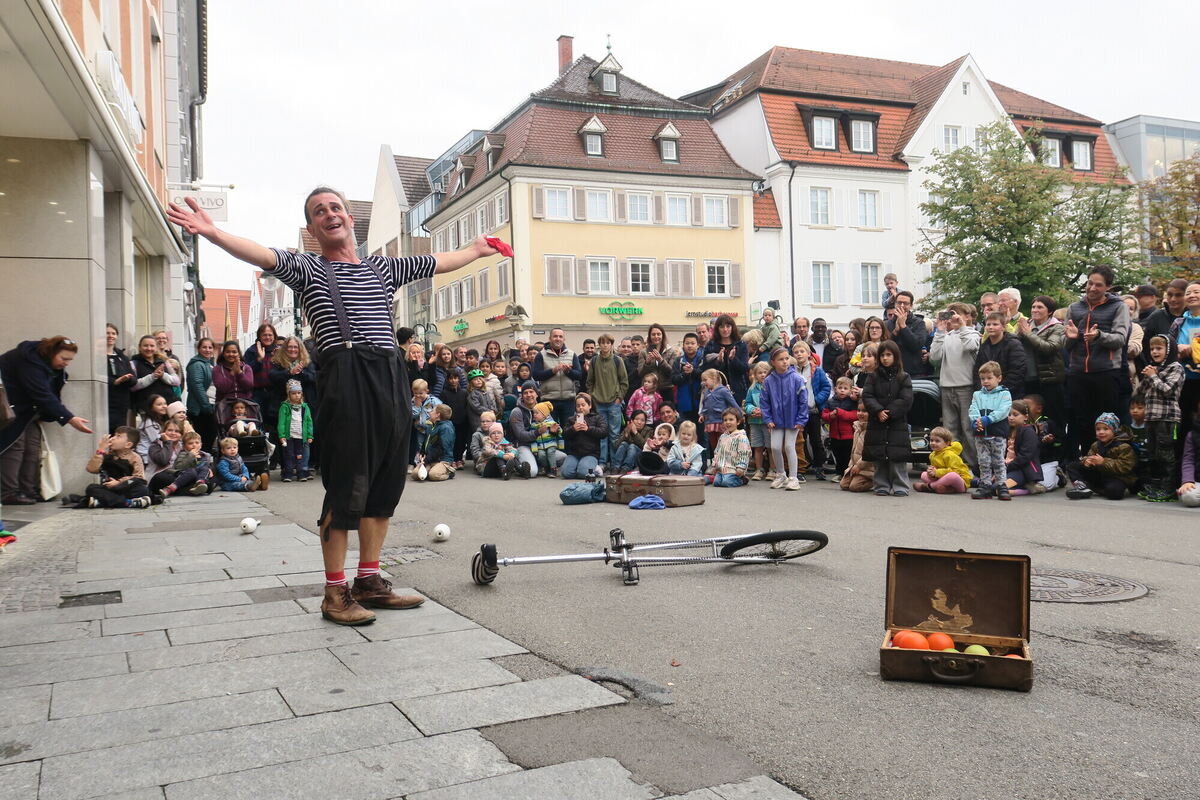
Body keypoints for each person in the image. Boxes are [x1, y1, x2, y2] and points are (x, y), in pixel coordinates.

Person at [169, 187, 499, 625]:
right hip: (346, 376)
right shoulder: (307, 268)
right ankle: (334, 592)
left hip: (389, 376)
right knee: (348, 484)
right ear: (312, 228)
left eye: (336, 207)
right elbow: (261, 254)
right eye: (319, 211)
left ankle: (368, 580)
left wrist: (476, 250)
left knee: (385, 482)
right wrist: (214, 234)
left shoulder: (384, 266)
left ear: (349, 218)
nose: (330, 214)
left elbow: (437, 262)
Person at [0, 336, 93, 504]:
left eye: (69, 360)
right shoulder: (28, 361)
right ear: (51, 352)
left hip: (28, 411)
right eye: (64, 359)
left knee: (32, 447)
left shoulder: (47, 365)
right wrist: (69, 418)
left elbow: (48, 394)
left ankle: (28, 490)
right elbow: (41, 394)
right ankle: (9, 493)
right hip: (12, 408)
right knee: (15, 446)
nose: (66, 363)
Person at [1064, 266, 1131, 456]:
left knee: (1106, 422)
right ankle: (1087, 464)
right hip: (1078, 373)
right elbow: (1065, 343)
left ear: (1108, 287)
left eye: (1098, 285)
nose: (1092, 288)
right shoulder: (1074, 308)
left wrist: (1098, 335)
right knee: (1082, 422)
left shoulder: (1118, 307)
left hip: (1106, 372)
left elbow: (1119, 339)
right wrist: (1072, 336)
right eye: (1090, 283)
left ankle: (1109, 465)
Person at [929, 307, 981, 468]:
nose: (951, 318)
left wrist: (963, 326)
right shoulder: (946, 336)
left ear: (967, 316)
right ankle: (953, 464)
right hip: (947, 386)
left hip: (965, 387)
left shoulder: (972, 334)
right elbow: (934, 358)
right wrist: (940, 331)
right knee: (950, 430)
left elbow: (971, 347)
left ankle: (976, 466)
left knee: (967, 428)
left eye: (954, 314)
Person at [1136, 336, 1184, 501]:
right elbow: (1138, 394)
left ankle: (1168, 488)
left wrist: (1154, 376)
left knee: (1166, 455)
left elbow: (1168, 390)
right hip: (1151, 418)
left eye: (1159, 348)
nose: (1155, 352)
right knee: (1153, 454)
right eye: (1152, 349)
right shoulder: (1153, 369)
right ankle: (1155, 487)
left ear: (1168, 350)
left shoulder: (1175, 368)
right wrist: (1146, 376)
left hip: (1168, 418)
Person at [863, 340, 913, 497]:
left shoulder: (904, 377)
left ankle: (900, 485)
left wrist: (890, 412)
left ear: (895, 356)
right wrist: (878, 411)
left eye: (889, 355)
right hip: (877, 421)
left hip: (896, 422)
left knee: (896, 455)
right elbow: (867, 395)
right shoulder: (873, 377)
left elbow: (906, 399)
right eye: (882, 355)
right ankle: (881, 485)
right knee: (879, 455)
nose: (885, 358)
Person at [760, 346, 808, 491]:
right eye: (781, 359)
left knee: (789, 446)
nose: (785, 362)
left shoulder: (797, 378)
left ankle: (793, 477)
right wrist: (768, 419)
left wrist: (801, 420)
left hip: (793, 421)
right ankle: (781, 475)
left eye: (787, 358)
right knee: (774, 446)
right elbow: (764, 402)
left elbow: (803, 401)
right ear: (773, 362)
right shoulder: (768, 381)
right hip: (776, 421)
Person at [1016, 297, 1066, 429]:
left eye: (1040, 307)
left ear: (1049, 311)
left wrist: (1028, 333)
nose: (1035, 310)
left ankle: (1056, 446)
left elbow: (1049, 348)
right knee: (1030, 417)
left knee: (1053, 417)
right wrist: (1019, 333)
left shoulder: (1057, 327)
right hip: (1027, 379)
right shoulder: (1027, 324)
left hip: (1049, 380)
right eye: (1033, 307)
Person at [71, 427, 150, 509]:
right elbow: (91, 469)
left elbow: (139, 477)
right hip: (109, 488)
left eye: (118, 436)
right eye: (114, 435)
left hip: (126, 487)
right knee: (91, 488)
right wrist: (100, 450)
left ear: (128, 444)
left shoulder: (135, 457)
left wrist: (119, 482)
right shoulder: (107, 454)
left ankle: (101, 502)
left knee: (142, 490)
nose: (112, 438)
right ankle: (128, 503)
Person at [1065, 413, 1136, 500]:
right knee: (1072, 466)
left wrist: (1103, 462)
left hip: (1116, 477)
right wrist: (1087, 461)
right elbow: (1088, 456)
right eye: (1098, 429)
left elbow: (1125, 466)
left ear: (1114, 430)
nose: (1101, 432)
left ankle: (1092, 488)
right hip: (1099, 475)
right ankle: (1082, 487)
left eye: (1106, 429)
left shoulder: (1124, 446)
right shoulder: (1096, 445)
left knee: (1114, 492)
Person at [969, 361, 1013, 500]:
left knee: (998, 460)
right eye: (983, 379)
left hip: (997, 433)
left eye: (989, 378)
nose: (985, 381)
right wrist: (976, 420)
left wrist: (988, 419)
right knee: (983, 461)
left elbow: (1003, 411)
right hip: (981, 434)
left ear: (999, 378)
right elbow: (973, 408)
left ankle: (1001, 485)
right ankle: (985, 485)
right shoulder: (977, 394)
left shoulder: (1004, 394)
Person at [585, 333, 628, 469]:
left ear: (611, 344)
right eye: (602, 343)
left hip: (613, 403)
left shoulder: (617, 360)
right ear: (599, 345)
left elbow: (624, 382)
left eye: (608, 343)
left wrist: (619, 398)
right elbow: (589, 382)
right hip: (599, 403)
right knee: (602, 435)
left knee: (614, 435)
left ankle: (615, 464)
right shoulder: (594, 361)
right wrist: (593, 397)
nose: (605, 345)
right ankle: (603, 462)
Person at [793, 342, 831, 479]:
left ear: (809, 354)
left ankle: (819, 467)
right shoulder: (791, 371)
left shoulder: (817, 370)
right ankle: (801, 468)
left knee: (816, 440)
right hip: (797, 413)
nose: (799, 354)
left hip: (813, 411)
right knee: (799, 441)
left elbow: (826, 387)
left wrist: (816, 400)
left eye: (802, 351)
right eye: (796, 352)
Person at [533, 328, 582, 426]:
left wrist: (568, 371)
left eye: (560, 336)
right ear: (550, 338)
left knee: (568, 431)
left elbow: (579, 375)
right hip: (548, 401)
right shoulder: (541, 355)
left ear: (564, 339)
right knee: (550, 430)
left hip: (568, 400)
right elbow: (536, 375)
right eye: (555, 336)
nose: (558, 339)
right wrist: (553, 371)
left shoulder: (571, 354)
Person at [974, 312, 1026, 400]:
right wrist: (982, 389)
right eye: (988, 324)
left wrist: (999, 390)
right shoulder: (984, 345)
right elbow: (977, 370)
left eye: (995, 324)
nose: (991, 327)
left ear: (1003, 327)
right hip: (987, 394)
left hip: (1010, 394)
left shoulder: (1013, 344)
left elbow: (1018, 371)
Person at [128, 335, 181, 414]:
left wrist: (163, 375)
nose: (149, 348)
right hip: (146, 409)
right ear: (139, 347)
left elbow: (177, 381)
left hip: (167, 407)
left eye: (152, 346)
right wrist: (153, 376)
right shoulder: (133, 363)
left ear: (156, 347)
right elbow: (133, 386)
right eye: (145, 346)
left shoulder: (164, 361)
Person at [152, 430, 213, 498]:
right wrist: (191, 456)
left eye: (197, 443)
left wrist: (210, 470)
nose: (194, 445)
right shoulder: (183, 454)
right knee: (192, 471)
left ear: (201, 445)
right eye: (190, 443)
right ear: (184, 446)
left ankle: (200, 484)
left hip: (199, 478)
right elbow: (179, 466)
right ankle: (171, 488)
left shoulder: (206, 455)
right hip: (185, 475)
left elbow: (208, 467)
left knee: (205, 469)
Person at [703, 314, 750, 403]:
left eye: (728, 326)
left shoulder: (741, 344)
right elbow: (705, 369)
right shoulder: (711, 345)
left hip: (737, 390)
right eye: (722, 327)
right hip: (716, 391)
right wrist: (718, 361)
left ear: (732, 328)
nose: (725, 329)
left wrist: (733, 359)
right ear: (717, 329)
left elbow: (744, 368)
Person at [561, 392, 607, 478]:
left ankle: (596, 469)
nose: (580, 408)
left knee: (583, 473)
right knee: (565, 473)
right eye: (578, 406)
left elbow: (603, 432)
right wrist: (573, 429)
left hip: (590, 453)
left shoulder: (598, 417)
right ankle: (580, 467)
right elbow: (564, 435)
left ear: (590, 405)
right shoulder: (571, 419)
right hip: (574, 453)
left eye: (583, 405)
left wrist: (588, 429)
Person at [885, 291, 931, 378]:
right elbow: (885, 347)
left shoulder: (919, 323)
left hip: (913, 373)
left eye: (905, 303)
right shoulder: (887, 324)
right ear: (895, 304)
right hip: (891, 372)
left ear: (911, 306)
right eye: (899, 303)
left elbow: (916, 345)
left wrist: (903, 327)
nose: (902, 306)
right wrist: (895, 332)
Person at [1002, 400, 1042, 496]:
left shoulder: (1028, 432)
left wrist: (1005, 468)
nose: (1011, 418)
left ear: (1025, 417)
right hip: (1005, 466)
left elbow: (1025, 457)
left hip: (1021, 469)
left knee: (998, 488)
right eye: (1009, 415)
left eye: (1015, 415)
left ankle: (1028, 490)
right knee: (976, 469)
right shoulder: (1007, 430)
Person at [914, 427, 971, 494]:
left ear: (947, 443)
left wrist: (937, 472)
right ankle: (946, 489)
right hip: (943, 479)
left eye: (937, 441)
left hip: (961, 483)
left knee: (952, 475)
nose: (933, 443)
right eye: (931, 440)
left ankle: (930, 487)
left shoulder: (950, 454)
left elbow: (956, 471)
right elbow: (935, 471)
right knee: (923, 475)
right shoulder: (932, 455)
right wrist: (931, 473)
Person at [277, 380, 314, 482]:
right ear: (289, 394)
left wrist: (310, 435)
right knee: (289, 455)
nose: (296, 395)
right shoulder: (284, 407)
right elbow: (281, 422)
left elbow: (309, 421)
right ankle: (288, 473)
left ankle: (301, 472)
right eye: (293, 393)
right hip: (290, 436)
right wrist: (282, 435)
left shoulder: (305, 407)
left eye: (299, 393)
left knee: (300, 455)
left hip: (302, 436)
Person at [1025, 394, 1063, 492]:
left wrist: (1051, 441)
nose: (1024, 409)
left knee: (1045, 485)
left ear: (1038, 409)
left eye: (1027, 406)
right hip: (1029, 461)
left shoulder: (1046, 423)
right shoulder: (1021, 423)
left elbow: (1059, 443)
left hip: (1046, 461)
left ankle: (1058, 477)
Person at [823, 376, 858, 479]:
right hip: (834, 434)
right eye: (840, 388)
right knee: (837, 455)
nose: (842, 390)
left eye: (845, 388)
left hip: (848, 435)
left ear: (850, 390)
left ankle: (846, 474)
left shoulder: (852, 402)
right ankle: (839, 473)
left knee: (847, 455)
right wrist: (830, 415)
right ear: (835, 389)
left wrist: (840, 413)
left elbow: (854, 415)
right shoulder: (830, 402)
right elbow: (824, 415)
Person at [505, 382, 542, 477]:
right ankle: (516, 463)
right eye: (525, 393)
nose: (529, 395)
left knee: (562, 458)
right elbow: (520, 435)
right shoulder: (516, 412)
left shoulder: (542, 409)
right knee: (532, 472)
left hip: (539, 445)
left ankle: (536, 462)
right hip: (522, 445)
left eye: (531, 392)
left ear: (537, 394)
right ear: (522, 395)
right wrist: (538, 432)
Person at [698, 369, 741, 453]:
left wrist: (739, 414)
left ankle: (726, 458)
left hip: (721, 421)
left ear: (714, 378)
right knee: (713, 443)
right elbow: (705, 405)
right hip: (709, 421)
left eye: (705, 380)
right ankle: (716, 458)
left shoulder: (723, 390)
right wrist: (702, 415)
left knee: (724, 441)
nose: (704, 382)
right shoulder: (706, 392)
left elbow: (733, 403)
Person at [186, 337, 218, 447]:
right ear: (198, 348)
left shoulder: (207, 363)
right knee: (205, 438)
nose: (207, 350)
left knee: (209, 437)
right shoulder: (197, 364)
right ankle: (203, 462)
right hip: (201, 409)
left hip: (207, 407)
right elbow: (197, 386)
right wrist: (207, 407)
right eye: (204, 347)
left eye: (210, 347)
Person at [243, 323, 279, 418]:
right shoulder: (251, 351)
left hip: (275, 393)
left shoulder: (278, 351)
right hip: (257, 393)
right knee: (257, 421)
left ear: (274, 336)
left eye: (270, 335)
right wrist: (259, 359)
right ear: (259, 336)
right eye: (264, 335)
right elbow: (245, 372)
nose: (267, 337)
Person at [105, 324, 136, 433]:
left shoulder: (122, 357)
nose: (110, 336)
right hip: (106, 402)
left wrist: (127, 379)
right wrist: (114, 382)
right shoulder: (98, 356)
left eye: (113, 333)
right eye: (107, 333)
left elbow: (133, 379)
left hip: (121, 404)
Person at [705, 411, 750, 487]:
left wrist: (740, 467)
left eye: (731, 419)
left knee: (727, 483)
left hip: (734, 469)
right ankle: (714, 477)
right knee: (716, 483)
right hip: (722, 468)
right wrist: (715, 464)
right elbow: (717, 451)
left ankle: (742, 479)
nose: (728, 422)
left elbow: (744, 453)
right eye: (725, 420)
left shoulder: (741, 437)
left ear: (738, 422)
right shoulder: (723, 436)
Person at [743, 361, 771, 480]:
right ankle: (759, 470)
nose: (763, 375)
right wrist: (752, 409)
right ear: (755, 375)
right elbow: (747, 403)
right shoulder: (752, 389)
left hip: (768, 422)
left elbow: (774, 404)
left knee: (770, 447)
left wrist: (763, 411)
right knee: (757, 447)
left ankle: (773, 469)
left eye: (765, 372)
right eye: (760, 373)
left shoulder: (772, 387)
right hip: (754, 422)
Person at [671, 333, 705, 427]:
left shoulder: (702, 359)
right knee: (685, 431)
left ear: (697, 345)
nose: (689, 345)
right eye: (687, 343)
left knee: (701, 433)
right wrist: (685, 374)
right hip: (683, 402)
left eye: (692, 343)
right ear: (683, 345)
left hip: (701, 403)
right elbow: (673, 379)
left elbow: (706, 375)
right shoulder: (678, 361)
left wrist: (693, 371)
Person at [839, 403, 875, 492]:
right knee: (844, 485)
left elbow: (870, 452)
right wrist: (851, 466)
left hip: (867, 468)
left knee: (854, 487)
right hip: (855, 466)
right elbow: (853, 450)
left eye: (864, 411)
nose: (860, 413)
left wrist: (859, 465)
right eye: (859, 410)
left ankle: (876, 481)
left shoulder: (872, 431)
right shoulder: (857, 428)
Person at [414, 405, 456, 481]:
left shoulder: (446, 428)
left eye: (432, 411)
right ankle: (431, 469)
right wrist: (422, 454)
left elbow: (441, 448)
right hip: (430, 459)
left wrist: (426, 460)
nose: (429, 412)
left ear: (438, 414)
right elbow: (426, 441)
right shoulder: (431, 426)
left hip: (443, 459)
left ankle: (449, 472)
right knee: (415, 475)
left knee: (434, 475)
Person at [636, 323, 677, 400]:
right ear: (649, 336)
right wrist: (647, 363)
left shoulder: (671, 351)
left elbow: (672, 372)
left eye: (658, 334)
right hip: (649, 390)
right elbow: (640, 373)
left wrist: (661, 360)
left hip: (666, 389)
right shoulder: (643, 352)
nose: (656, 337)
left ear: (663, 335)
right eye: (653, 334)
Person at [1142, 278, 1188, 344]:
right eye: (1170, 295)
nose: (1173, 299)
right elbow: (1146, 345)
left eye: (1178, 295)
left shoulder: (1193, 317)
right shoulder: (1156, 317)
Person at [439, 371, 470, 467]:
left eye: (455, 378)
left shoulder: (464, 392)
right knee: (451, 441)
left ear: (458, 379)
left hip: (462, 421)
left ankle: (459, 459)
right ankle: (452, 459)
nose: (453, 380)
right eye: (451, 378)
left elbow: (466, 406)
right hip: (450, 422)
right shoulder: (444, 393)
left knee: (461, 441)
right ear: (448, 380)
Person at [135, 394, 170, 474]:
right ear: (151, 407)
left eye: (165, 403)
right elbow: (157, 440)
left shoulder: (161, 420)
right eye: (159, 404)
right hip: (146, 457)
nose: (164, 406)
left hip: (154, 454)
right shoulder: (149, 423)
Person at [147, 419, 185, 488]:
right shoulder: (155, 445)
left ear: (181, 435)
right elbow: (163, 461)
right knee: (163, 477)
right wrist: (168, 442)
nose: (173, 433)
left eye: (177, 431)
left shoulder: (182, 447)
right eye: (170, 430)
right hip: (158, 477)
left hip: (175, 475)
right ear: (164, 432)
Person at [530, 401, 564, 478]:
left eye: (536, 413)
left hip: (551, 443)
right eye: (533, 413)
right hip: (540, 446)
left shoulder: (552, 423)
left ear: (544, 415)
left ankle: (553, 469)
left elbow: (560, 433)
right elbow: (533, 438)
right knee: (541, 455)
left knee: (550, 452)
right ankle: (546, 468)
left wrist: (561, 446)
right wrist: (534, 449)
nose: (534, 415)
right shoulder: (534, 425)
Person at [1177, 402, 1200, 506]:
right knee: (1188, 496)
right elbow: (1188, 460)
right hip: (1198, 481)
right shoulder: (1192, 435)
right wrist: (1187, 481)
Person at [466, 369, 498, 437]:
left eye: (480, 379)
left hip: (488, 419)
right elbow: (476, 407)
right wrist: (489, 411)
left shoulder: (485, 392)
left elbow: (491, 402)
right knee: (481, 437)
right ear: (471, 383)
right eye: (475, 379)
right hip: (478, 421)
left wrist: (493, 409)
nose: (478, 381)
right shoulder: (473, 394)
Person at [468, 410, 497, 474]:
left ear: (494, 422)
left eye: (488, 421)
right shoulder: (476, 435)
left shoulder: (497, 434)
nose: (485, 423)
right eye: (482, 421)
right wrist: (487, 455)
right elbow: (475, 452)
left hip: (496, 457)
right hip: (482, 460)